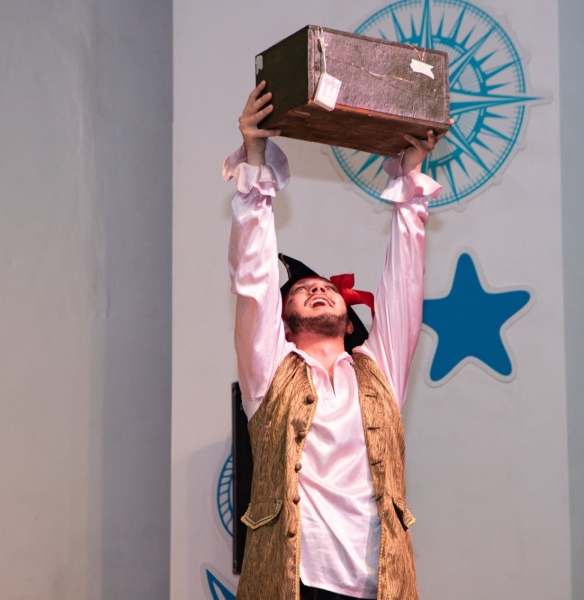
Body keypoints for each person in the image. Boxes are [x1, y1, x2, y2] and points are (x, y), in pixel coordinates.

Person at [225, 81, 443, 600]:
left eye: (326, 288)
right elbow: (255, 278)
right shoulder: (268, 371)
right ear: (283, 322)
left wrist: (410, 176)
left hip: (380, 584)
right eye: (303, 291)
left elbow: (405, 282)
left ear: (349, 322)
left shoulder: (379, 368)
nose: (319, 289)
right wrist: (255, 159)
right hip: (295, 583)